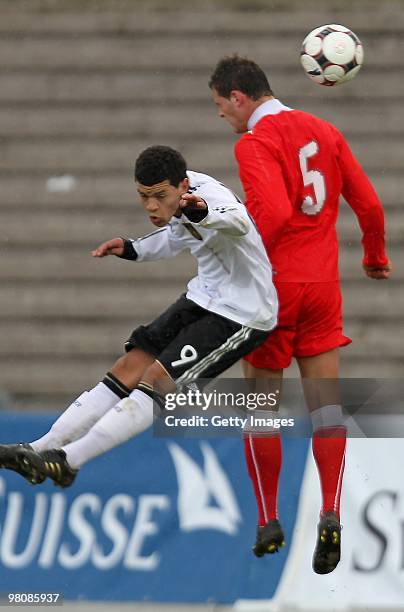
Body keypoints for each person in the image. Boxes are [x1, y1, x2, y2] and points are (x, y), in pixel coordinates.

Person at [0, 144, 278, 488]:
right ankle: (41, 449)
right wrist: (132, 248)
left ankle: (70, 460)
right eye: (143, 196)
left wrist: (203, 211)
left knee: (155, 381)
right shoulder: (178, 204)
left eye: (159, 196)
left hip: (243, 314)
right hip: (203, 297)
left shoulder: (209, 199)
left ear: (183, 185)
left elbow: (237, 221)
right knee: (127, 367)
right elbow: (175, 238)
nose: (151, 205)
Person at [209, 55, 391, 574]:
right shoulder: (324, 130)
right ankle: (331, 511)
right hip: (323, 290)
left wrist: (238, 266)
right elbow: (370, 206)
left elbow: (275, 212)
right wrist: (374, 255)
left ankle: (268, 518)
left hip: (274, 292)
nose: (222, 115)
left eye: (222, 106)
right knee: (327, 411)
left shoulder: (254, 143)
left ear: (239, 97)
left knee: (261, 408)